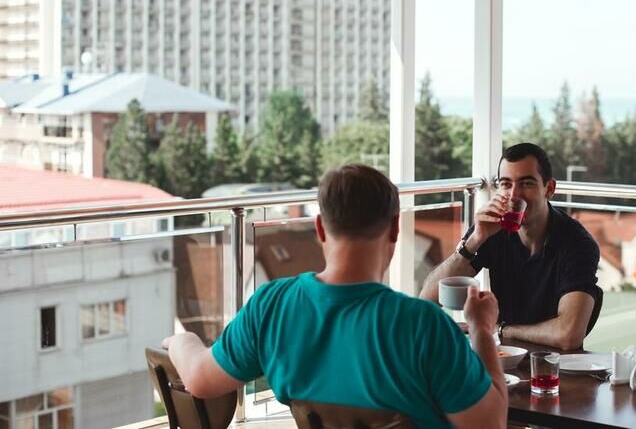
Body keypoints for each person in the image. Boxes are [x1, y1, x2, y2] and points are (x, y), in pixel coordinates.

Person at [162, 164, 508, 429]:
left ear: (320, 228)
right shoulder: (424, 326)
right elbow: (490, 424)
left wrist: (182, 341)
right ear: (394, 228)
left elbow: (199, 380)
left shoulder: (271, 306)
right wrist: (481, 330)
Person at [420, 143, 600, 351]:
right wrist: (474, 240)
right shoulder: (491, 228)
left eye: (527, 184)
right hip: (502, 357)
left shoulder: (577, 244)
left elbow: (568, 335)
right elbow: (428, 299)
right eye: (506, 184)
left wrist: (499, 329)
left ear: (549, 189)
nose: (514, 195)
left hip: (552, 363)